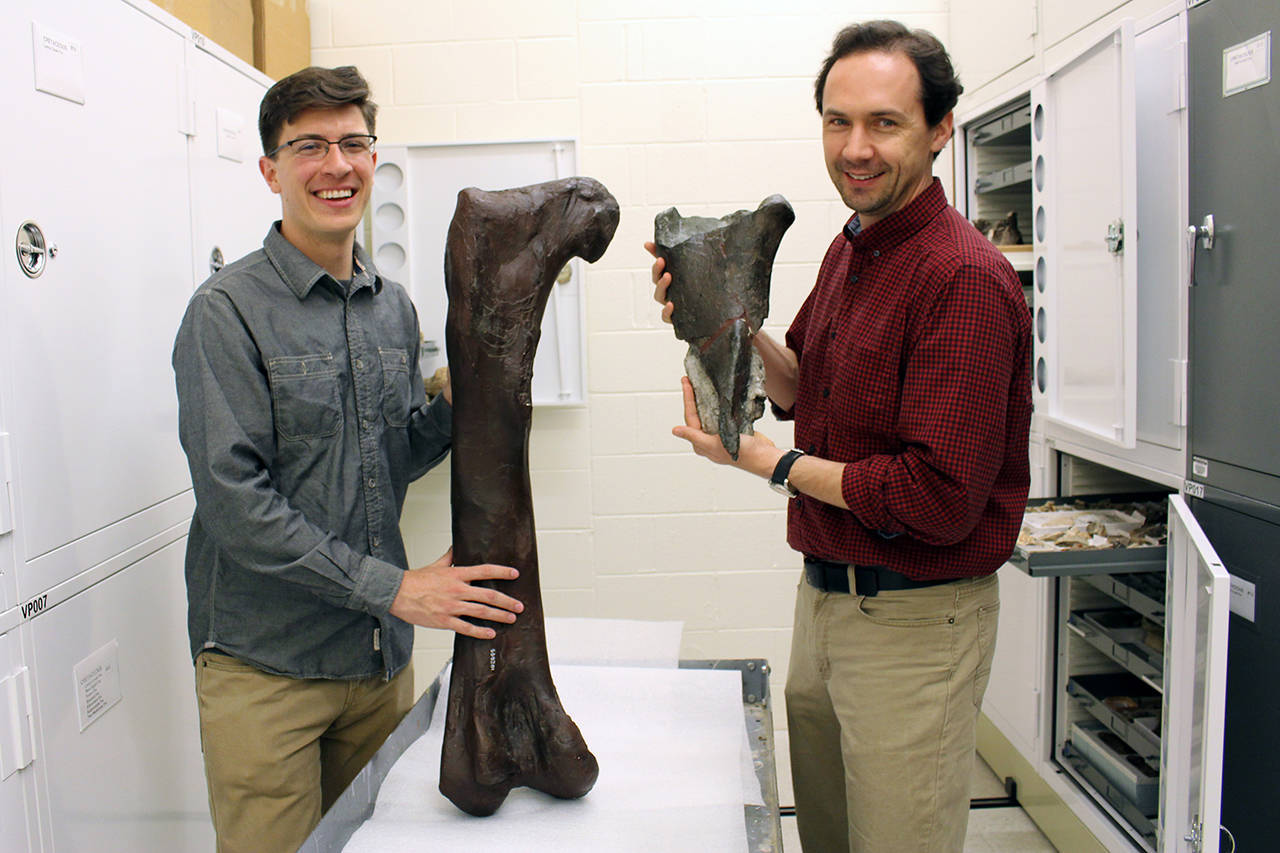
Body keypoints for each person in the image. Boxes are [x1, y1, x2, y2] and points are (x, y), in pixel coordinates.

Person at [647, 20, 1032, 853]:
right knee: (825, 837)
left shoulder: (962, 278)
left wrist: (770, 464)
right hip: (825, 603)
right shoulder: (853, 245)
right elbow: (803, 386)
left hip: (916, 626)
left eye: (884, 123)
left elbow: (934, 495)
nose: (856, 147)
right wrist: (729, 322)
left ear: (938, 130)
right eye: (837, 121)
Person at [172, 65, 525, 853]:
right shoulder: (224, 314)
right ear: (271, 169)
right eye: (310, 146)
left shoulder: (390, 307)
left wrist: (472, 387)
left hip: (375, 666)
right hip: (269, 675)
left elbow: (390, 454)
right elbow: (238, 506)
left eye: (354, 143)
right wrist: (397, 588)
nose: (337, 165)